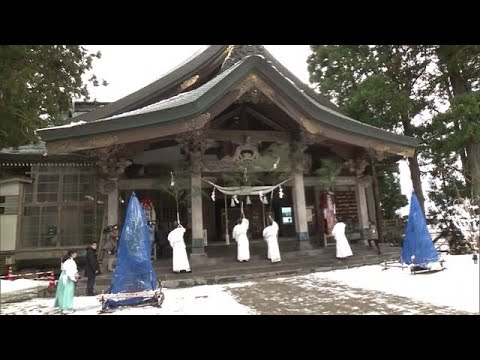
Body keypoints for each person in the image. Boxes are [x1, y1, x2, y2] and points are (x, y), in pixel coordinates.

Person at [54, 250, 79, 315]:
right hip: (68, 277)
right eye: (75, 253)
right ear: (72, 254)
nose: (76, 254)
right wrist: (74, 277)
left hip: (64, 276)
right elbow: (69, 271)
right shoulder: (69, 261)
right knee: (68, 292)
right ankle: (66, 307)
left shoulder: (68, 261)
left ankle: (63, 306)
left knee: (63, 291)